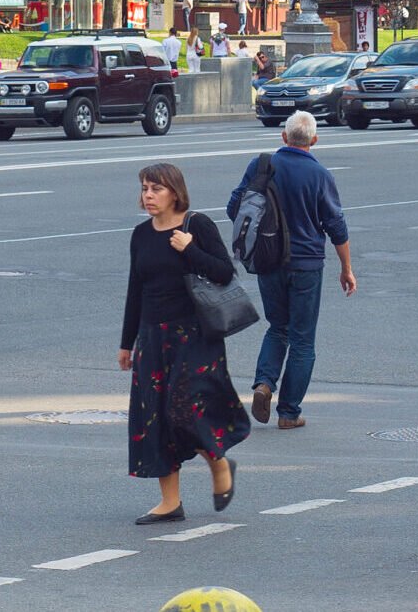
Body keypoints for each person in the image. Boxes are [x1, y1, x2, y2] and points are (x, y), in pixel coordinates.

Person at [121, 162, 246, 523]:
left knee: (187, 411)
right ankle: (170, 501)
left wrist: (189, 249)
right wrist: (127, 343)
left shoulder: (197, 226)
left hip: (193, 335)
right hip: (152, 337)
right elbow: (135, 290)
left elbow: (224, 272)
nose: (148, 196)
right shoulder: (141, 234)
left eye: (156, 189)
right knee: (156, 417)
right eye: (145, 188)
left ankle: (220, 464)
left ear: (175, 192)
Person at [236, 112, 357, 430]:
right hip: (306, 265)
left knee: (278, 327)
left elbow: (235, 207)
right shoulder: (320, 174)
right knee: (303, 340)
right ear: (314, 140)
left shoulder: (260, 165)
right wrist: (346, 268)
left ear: (284, 137)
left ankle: (264, 383)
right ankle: (289, 413)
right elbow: (336, 227)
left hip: (268, 260)